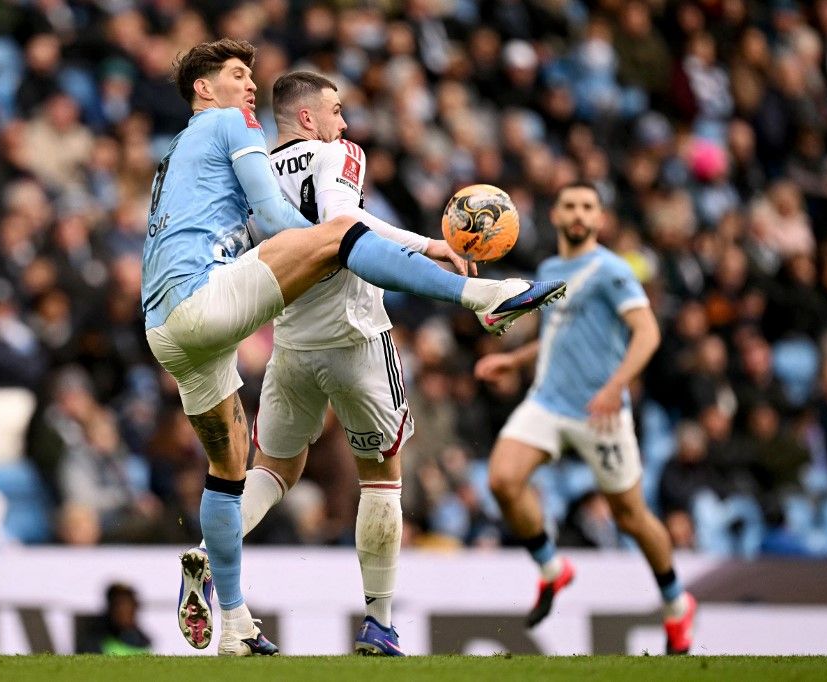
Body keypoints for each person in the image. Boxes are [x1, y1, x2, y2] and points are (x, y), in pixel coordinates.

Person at [143, 39, 565, 657]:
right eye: (238, 75)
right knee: (382, 477)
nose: (250, 86)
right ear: (206, 90)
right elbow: (316, 223)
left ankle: (229, 612)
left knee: (242, 470)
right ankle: (482, 298)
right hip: (332, 330)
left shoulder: (180, 155)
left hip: (182, 329)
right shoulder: (253, 132)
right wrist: (346, 243)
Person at [186, 71, 460, 656]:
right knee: (382, 478)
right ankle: (379, 624)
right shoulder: (340, 154)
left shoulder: (251, 172)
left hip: (291, 341)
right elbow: (345, 226)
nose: (344, 122)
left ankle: (209, 557)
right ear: (309, 117)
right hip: (358, 335)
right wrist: (428, 245)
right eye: (336, 110)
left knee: (275, 471)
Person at [475, 182, 697, 654]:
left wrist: (615, 386)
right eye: (570, 205)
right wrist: (514, 362)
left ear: (600, 219)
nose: (579, 214)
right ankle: (554, 569)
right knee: (501, 479)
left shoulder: (612, 271)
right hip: (549, 401)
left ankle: (677, 604)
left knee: (632, 517)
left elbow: (648, 333)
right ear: (555, 215)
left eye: (588, 207)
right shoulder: (552, 269)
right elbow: (560, 331)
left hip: (602, 413)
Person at [77, 583, 153, 655]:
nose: (122, 610)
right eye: (118, 605)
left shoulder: (144, 642)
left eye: (127, 605)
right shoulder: (95, 642)